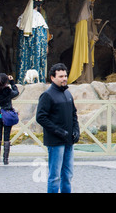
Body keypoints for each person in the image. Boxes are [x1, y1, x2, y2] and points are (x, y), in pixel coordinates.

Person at [36, 63, 80, 193]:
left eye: (65, 76)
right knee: (55, 177)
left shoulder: (67, 93)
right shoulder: (47, 95)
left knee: (67, 175)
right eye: (60, 76)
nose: (64, 78)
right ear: (52, 78)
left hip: (68, 141)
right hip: (55, 142)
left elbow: (74, 114)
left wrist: (76, 131)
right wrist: (58, 131)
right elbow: (40, 117)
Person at [16, 0, 49, 84]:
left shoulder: (23, 17)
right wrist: (45, 46)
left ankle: (22, 80)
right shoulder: (38, 17)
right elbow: (42, 37)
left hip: (24, 49)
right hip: (36, 49)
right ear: (39, 6)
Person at [68, 0, 101, 84]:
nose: (93, 5)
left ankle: (88, 79)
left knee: (88, 60)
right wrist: (91, 36)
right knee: (83, 59)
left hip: (88, 43)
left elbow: (90, 28)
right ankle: (81, 79)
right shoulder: (83, 18)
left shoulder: (89, 15)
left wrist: (94, 23)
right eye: (91, 3)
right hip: (83, 43)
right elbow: (84, 32)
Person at [0, 73, 19, 165]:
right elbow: (16, 93)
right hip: (7, 115)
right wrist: (12, 82)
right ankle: (6, 159)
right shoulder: (8, 90)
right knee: (7, 137)